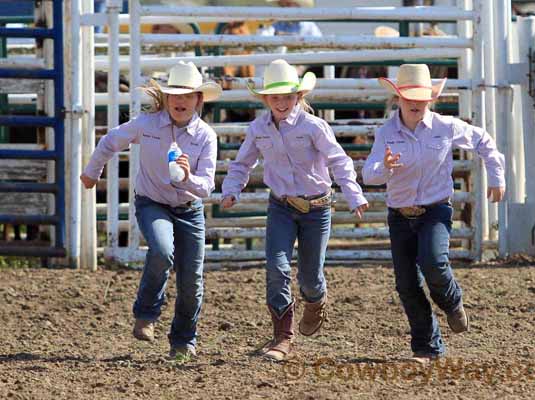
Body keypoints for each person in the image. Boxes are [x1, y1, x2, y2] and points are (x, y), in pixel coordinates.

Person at [220, 59, 369, 362]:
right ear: (265, 99)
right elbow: (242, 163)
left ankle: (315, 300)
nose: (282, 102)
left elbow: (338, 161)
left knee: (311, 277)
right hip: (282, 206)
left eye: (288, 96)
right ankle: (282, 338)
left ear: (299, 97)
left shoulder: (314, 126)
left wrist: (353, 194)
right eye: (275, 97)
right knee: (276, 268)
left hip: (317, 206)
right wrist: (231, 189)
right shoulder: (258, 129)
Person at [362, 64, 505, 363]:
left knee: (434, 262)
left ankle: (452, 302)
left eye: (422, 98)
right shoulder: (386, 132)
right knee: (406, 284)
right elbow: (368, 175)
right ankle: (427, 347)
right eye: (409, 97)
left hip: (435, 210)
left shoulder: (445, 126)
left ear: (431, 100)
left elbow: (483, 141)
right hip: (399, 215)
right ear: (398, 98)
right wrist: (385, 167)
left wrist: (496, 176)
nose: (415, 103)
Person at [80, 61, 222, 358]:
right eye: (174, 95)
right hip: (152, 202)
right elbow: (110, 141)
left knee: (191, 280)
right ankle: (146, 312)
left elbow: (206, 187)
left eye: (188, 95)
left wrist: (188, 177)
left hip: (189, 208)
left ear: (199, 99)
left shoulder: (206, 136)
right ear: (167, 99)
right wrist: (93, 171)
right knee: (161, 249)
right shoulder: (147, 124)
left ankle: (184, 341)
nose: (180, 101)